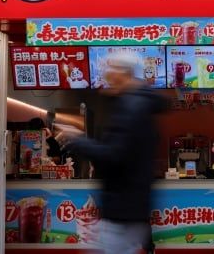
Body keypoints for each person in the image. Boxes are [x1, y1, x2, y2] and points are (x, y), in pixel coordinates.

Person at [58, 52, 169, 254]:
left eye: (110, 68)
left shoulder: (131, 107)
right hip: (130, 206)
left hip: (123, 208)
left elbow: (114, 155)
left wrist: (78, 140)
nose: (106, 74)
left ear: (123, 73)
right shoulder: (136, 103)